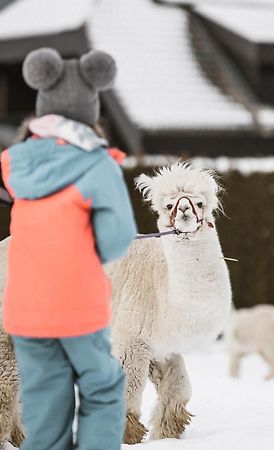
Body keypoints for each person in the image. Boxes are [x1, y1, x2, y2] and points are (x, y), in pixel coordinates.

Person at [1, 47, 137, 450]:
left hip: (25, 310)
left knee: (45, 402)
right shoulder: (97, 164)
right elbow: (117, 238)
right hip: (78, 306)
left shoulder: (16, 162)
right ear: (90, 108)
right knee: (102, 388)